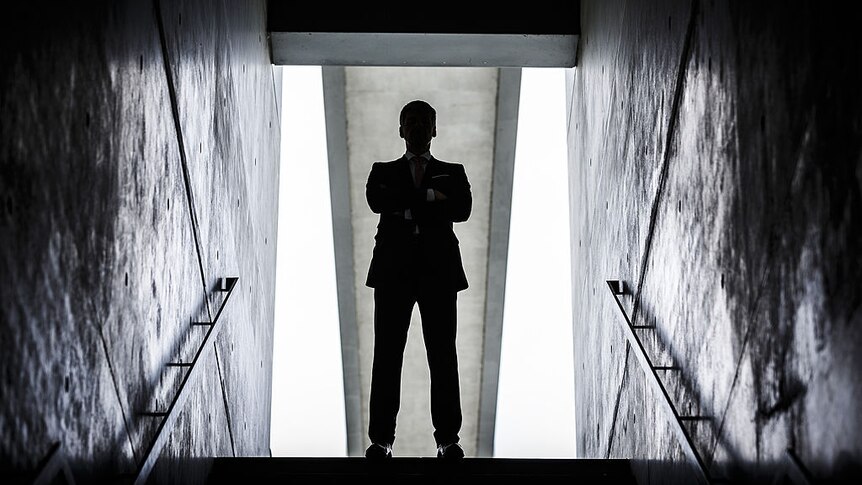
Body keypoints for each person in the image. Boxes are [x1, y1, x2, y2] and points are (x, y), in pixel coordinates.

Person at [364, 100, 472, 460]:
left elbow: (462, 209)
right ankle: (381, 441)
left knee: (443, 356)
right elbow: (376, 201)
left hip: (438, 274)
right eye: (410, 122)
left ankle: (447, 440)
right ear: (400, 129)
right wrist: (432, 198)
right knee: (387, 355)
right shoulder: (381, 170)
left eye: (424, 122)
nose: (417, 127)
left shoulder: (453, 171)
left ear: (435, 129)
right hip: (393, 273)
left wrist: (407, 203)